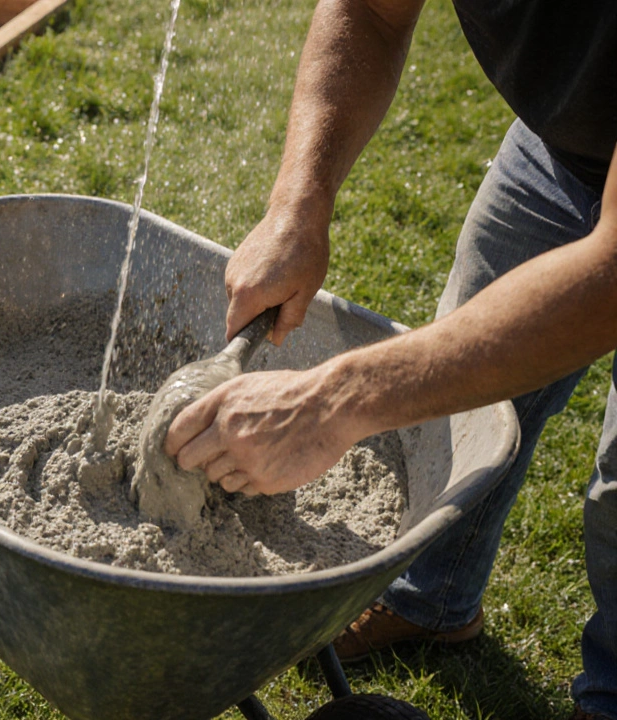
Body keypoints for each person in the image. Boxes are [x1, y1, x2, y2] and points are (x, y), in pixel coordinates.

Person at [160, 0, 616, 717]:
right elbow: (370, 12)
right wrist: (298, 204)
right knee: (457, 410)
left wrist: (329, 402)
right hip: (560, 148)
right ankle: (429, 600)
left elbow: (610, 281)